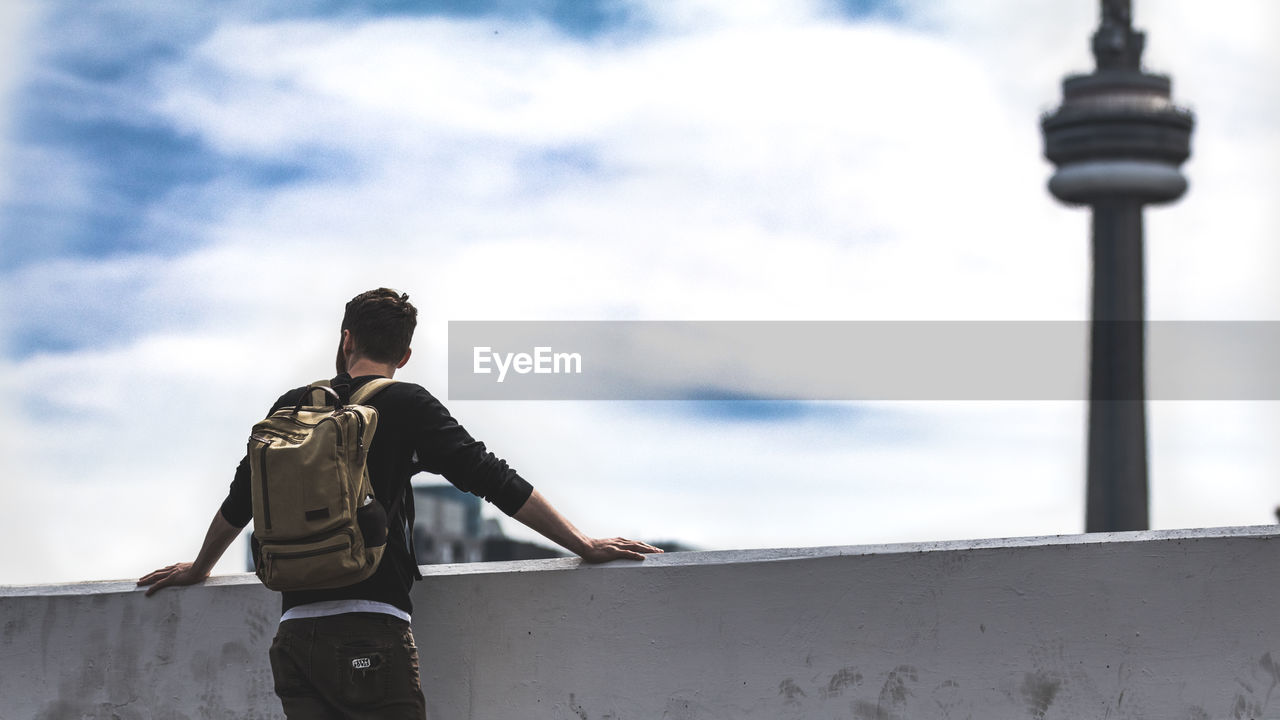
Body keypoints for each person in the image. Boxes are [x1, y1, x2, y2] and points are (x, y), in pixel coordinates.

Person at [138, 288, 661, 719]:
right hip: (371, 627)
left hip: (293, 637)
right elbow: (491, 478)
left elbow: (242, 498)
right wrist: (583, 544)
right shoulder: (405, 403)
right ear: (404, 355)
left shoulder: (292, 407)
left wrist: (199, 568)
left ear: (346, 339)